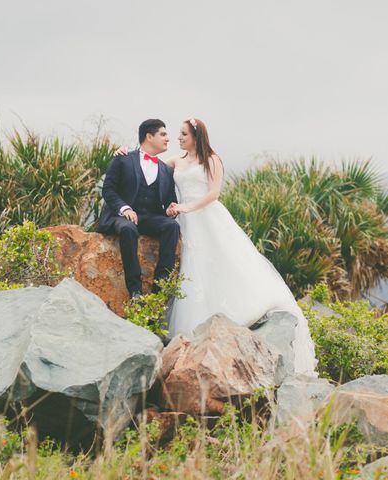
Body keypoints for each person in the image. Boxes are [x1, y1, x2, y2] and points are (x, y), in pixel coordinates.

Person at [116, 118, 317, 375]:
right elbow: (147, 169)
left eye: (183, 134)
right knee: (193, 268)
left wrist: (186, 207)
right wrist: (126, 155)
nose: (178, 138)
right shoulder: (176, 162)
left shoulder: (212, 160)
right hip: (182, 220)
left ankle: (235, 310)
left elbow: (213, 193)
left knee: (221, 260)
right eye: (176, 134)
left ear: (196, 137)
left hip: (206, 216)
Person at [97, 119, 180, 298]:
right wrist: (125, 208)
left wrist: (171, 210)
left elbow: (170, 201)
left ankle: (161, 283)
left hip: (150, 217)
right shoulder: (123, 159)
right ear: (149, 136)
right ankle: (135, 289)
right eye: (163, 134)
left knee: (172, 226)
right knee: (128, 229)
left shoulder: (166, 170)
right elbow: (108, 189)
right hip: (122, 217)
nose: (168, 139)